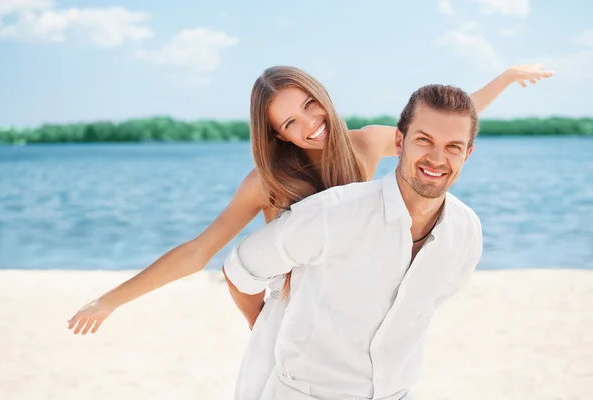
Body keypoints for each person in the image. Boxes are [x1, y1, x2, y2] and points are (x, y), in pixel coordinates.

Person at [66, 64, 553, 337]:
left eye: (308, 106)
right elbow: (200, 252)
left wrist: (506, 79)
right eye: (288, 124)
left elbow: (439, 130)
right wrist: (110, 301)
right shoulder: (268, 181)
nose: (307, 125)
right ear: (276, 135)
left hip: (358, 313)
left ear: (321, 95)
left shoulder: (365, 144)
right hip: (293, 320)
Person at [223, 83, 483, 400]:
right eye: (423, 140)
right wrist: (261, 322)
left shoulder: (465, 232)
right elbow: (240, 269)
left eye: (453, 147)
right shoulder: (331, 214)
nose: (437, 158)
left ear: (467, 154)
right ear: (399, 142)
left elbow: (428, 305)